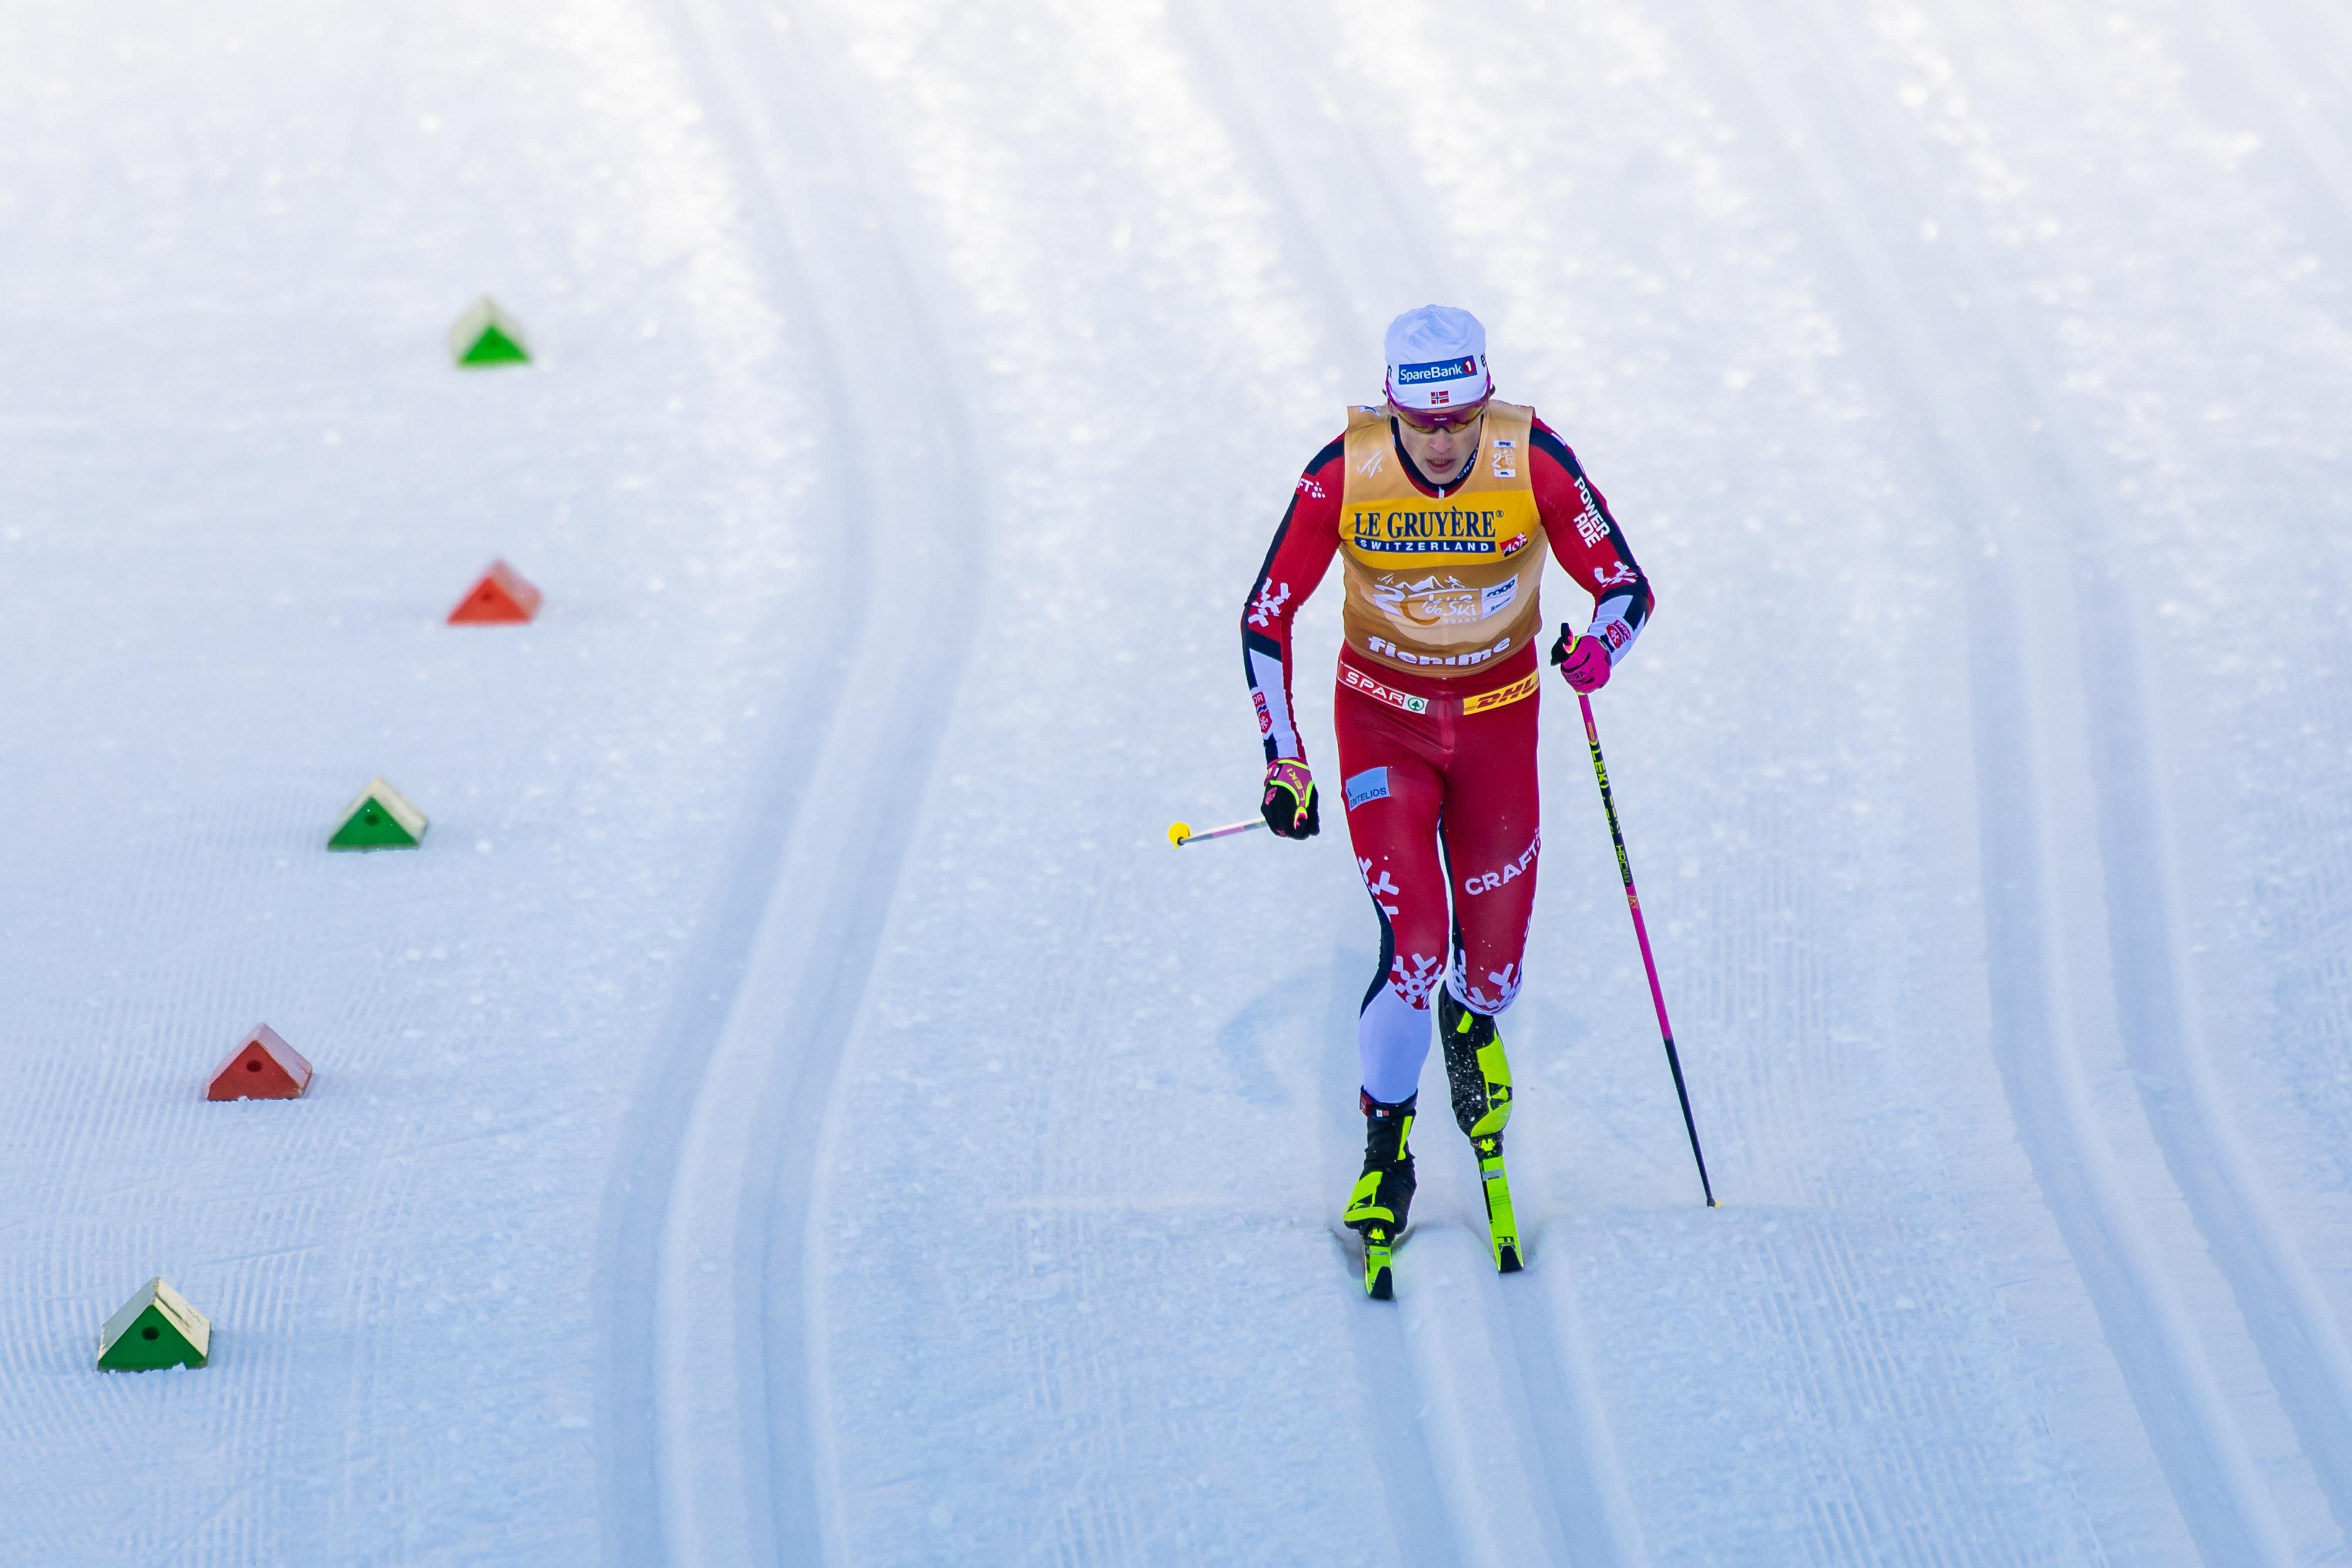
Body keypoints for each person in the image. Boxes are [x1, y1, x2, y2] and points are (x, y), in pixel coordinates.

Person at [1240, 305, 1653, 1298]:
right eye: (1424, 424)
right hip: (1383, 724)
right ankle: (1388, 1152)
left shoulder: (1533, 460)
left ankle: (1476, 1023)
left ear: (1482, 398)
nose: (1443, 441)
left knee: (1494, 971)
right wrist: (1283, 758)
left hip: (1501, 727)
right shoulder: (1343, 471)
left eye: (1461, 419)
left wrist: (1600, 649)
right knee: (1416, 944)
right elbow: (1266, 613)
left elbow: (1626, 585)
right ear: (1391, 408)